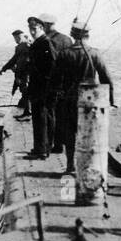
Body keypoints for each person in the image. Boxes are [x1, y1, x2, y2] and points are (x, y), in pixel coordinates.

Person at [54, 21, 115, 173]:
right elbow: (107, 79)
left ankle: (70, 165)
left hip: (70, 98)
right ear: (88, 35)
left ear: (72, 35)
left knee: (70, 133)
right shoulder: (95, 53)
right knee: (89, 132)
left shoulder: (64, 53)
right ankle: (88, 166)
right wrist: (111, 100)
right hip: (90, 98)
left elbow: (54, 78)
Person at [40, 13, 74, 153]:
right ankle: (60, 144)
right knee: (62, 115)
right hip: (66, 84)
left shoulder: (47, 40)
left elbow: (48, 64)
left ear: (46, 25)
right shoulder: (67, 39)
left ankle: (49, 145)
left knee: (49, 114)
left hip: (51, 83)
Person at [26, 15, 56, 158]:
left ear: (41, 28)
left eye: (34, 28)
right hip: (38, 88)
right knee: (38, 118)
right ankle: (40, 148)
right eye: (30, 28)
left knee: (42, 119)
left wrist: (46, 87)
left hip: (43, 89)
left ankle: (42, 150)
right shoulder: (39, 42)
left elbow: (52, 67)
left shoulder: (45, 43)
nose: (31, 31)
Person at [0, 29, 32, 119]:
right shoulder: (20, 47)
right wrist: (4, 69)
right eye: (15, 38)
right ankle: (27, 111)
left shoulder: (27, 45)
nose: (16, 39)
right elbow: (14, 60)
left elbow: (19, 60)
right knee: (24, 92)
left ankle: (28, 112)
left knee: (26, 92)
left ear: (22, 36)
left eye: (17, 37)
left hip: (26, 73)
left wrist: (4, 69)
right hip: (21, 73)